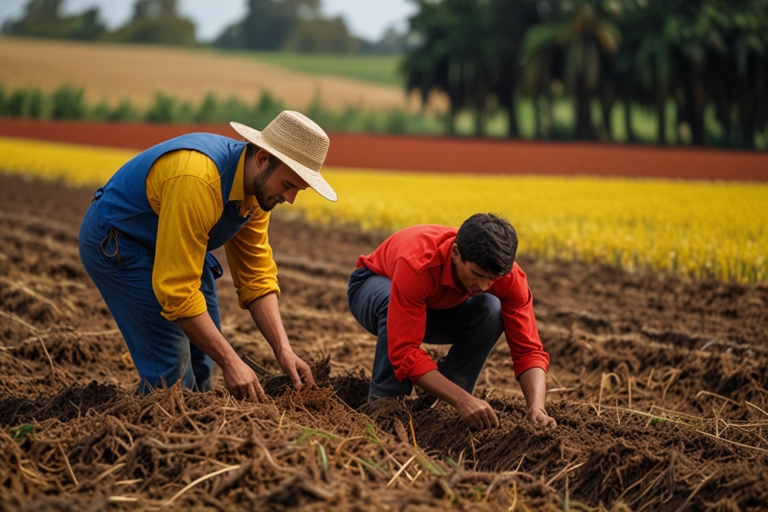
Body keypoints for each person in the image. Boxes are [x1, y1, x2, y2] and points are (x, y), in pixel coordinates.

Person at [79, 111, 336, 401]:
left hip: (176, 244)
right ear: (263, 158)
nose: (290, 198)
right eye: (288, 185)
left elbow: (256, 276)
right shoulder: (199, 179)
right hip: (119, 241)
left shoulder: (258, 193)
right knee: (171, 369)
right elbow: (177, 292)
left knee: (203, 359)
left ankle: (196, 422)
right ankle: (156, 429)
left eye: (298, 190)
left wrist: (283, 350)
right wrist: (231, 361)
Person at [348, 213, 556, 430]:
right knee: (391, 299)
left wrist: (537, 407)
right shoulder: (418, 263)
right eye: (477, 274)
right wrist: (461, 399)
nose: (484, 286)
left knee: (491, 309)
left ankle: (445, 391)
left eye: (492, 279)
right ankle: (384, 401)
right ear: (456, 253)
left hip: (433, 306)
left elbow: (528, 350)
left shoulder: (508, 276)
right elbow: (405, 351)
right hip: (371, 291)